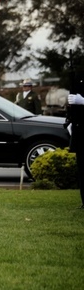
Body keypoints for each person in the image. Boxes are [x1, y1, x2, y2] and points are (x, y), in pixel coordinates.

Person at [66, 72, 83, 208]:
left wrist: (83, 101)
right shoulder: (78, 78)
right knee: (81, 169)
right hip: (80, 129)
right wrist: (70, 121)